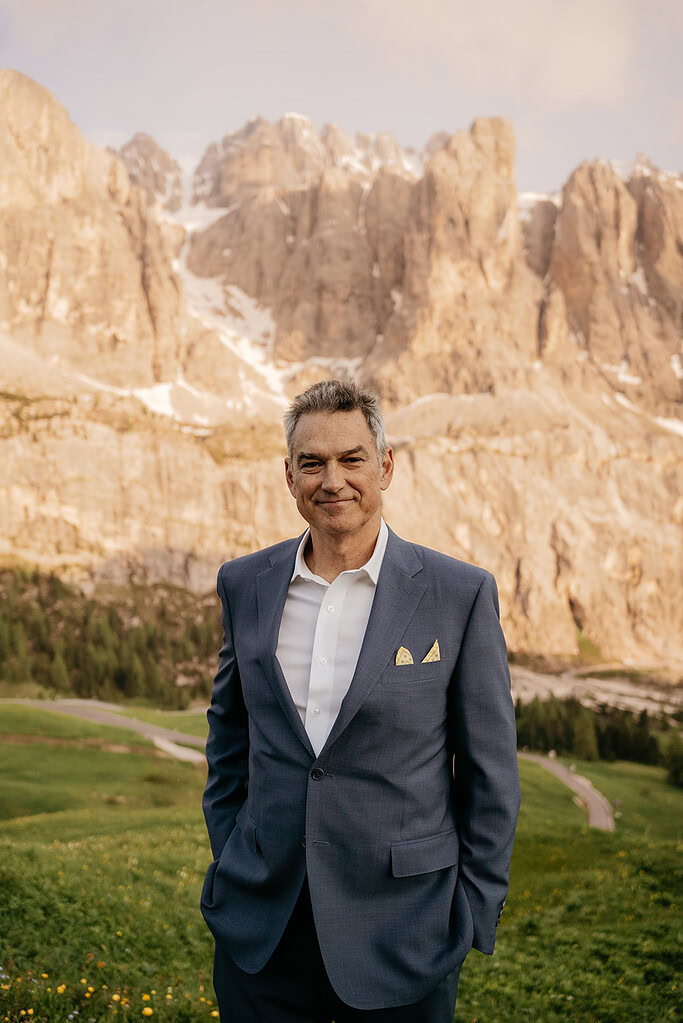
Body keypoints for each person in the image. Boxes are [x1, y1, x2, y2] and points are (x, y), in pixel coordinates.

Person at [200, 378, 521, 1022]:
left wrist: (472, 911)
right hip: (262, 935)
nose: (333, 480)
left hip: (406, 936)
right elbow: (229, 743)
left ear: (386, 467)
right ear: (289, 477)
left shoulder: (460, 593)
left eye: (351, 459)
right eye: (312, 463)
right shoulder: (244, 584)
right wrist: (234, 855)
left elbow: (489, 773)